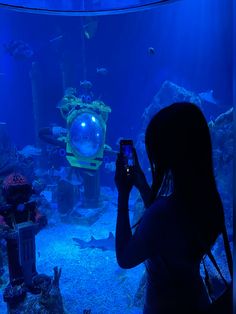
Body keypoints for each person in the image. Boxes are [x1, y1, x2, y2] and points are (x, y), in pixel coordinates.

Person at [115, 102, 225, 314]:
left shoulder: (163, 214)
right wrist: (142, 185)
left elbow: (125, 258)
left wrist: (123, 194)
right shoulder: (210, 201)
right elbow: (172, 229)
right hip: (196, 301)